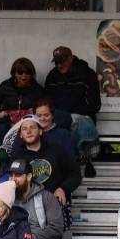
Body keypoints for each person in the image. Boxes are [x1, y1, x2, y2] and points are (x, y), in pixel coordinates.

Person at [45, 47, 101, 175]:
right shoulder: (52, 76)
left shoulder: (87, 74)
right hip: (58, 117)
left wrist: (69, 114)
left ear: (71, 58)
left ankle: (71, 163)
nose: (59, 65)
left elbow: (95, 105)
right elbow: (46, 102)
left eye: (62, 61)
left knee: (74, 124)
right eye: (56, 62)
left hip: (81, 116)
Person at [9, 115, 81, 205]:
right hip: (28, 207)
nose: (28, 131)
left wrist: (62, 188)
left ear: (40, 131)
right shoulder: (17, 157)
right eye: (24, 129)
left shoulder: (57, 150)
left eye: (32, 127)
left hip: (56, 204)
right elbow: (12, 182)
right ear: (20, 135)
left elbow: (75, 174)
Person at [0, 57, 46, 134]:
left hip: (27, 121)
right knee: (2, 123)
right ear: (14, 73)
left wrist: (35, 111)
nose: (24, 75)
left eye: (27, 72)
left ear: (31, 74)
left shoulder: (38, 89)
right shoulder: (6, 86)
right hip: (7, 121)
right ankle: (4, 145)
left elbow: (45, 108)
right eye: (20, 72)